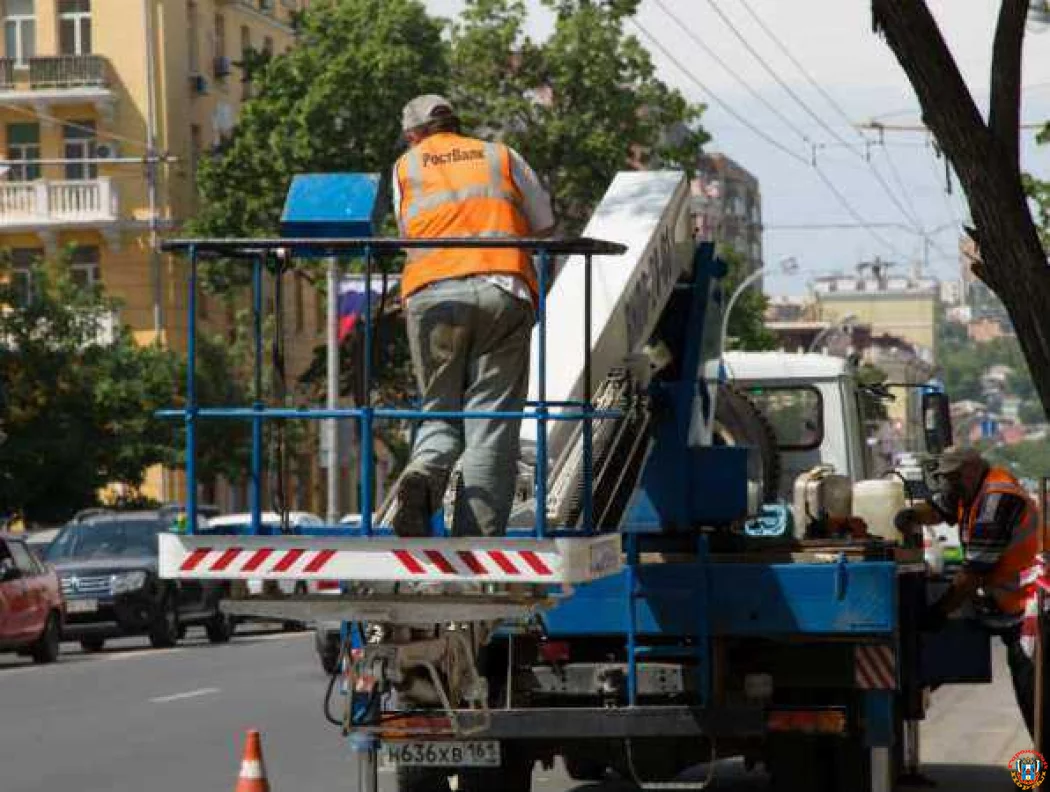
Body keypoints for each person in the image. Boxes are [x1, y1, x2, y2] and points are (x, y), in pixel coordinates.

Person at [389, 94, 554, 539]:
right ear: (456, 124)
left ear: (413, 134)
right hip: (503, 289)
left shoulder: (406, 167)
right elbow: (544, 223)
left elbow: (409, 232)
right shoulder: (502, 156)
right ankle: (475, 542)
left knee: (439, 408)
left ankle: (424, 471)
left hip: (432, 294)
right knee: (490, 421)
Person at [896, 447, 1049, 742]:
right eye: (945, 478)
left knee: (1037, 701)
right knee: (1030, 698)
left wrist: (940, 611)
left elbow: (974, 571)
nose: (948, 485)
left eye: (953, 478)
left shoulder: (996, 499)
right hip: (1015, 609)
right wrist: (912, 515)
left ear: (972, 470)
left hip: (1035, 609)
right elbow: (938, 509)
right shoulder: (967, 491)